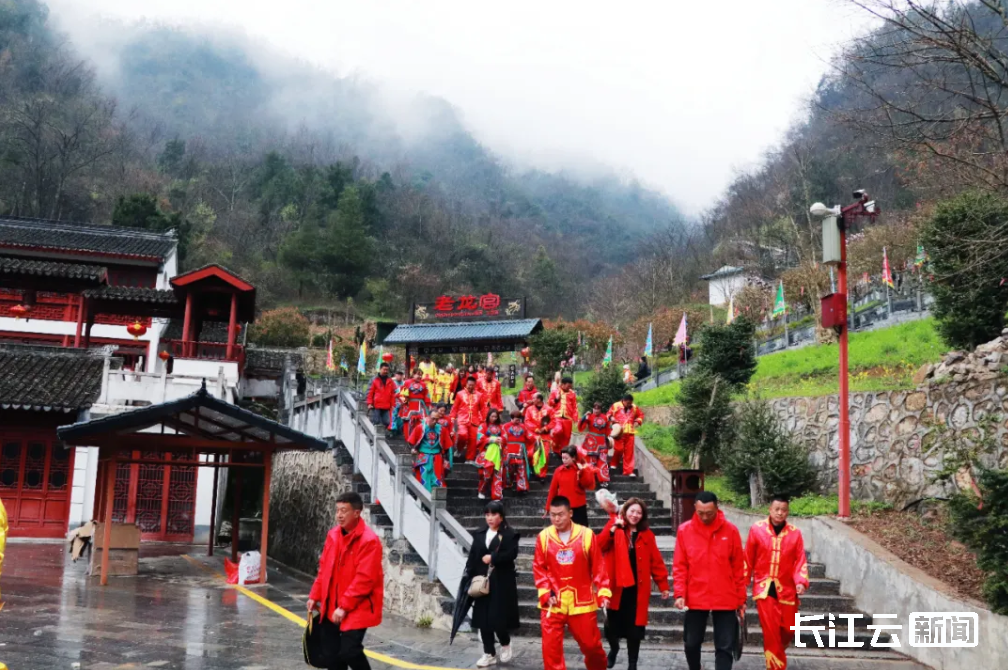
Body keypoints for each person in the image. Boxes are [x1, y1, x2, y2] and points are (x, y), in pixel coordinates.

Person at [307, 492, 384, 670]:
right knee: (331, 656)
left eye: (344, 511)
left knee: (350, 651)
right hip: (331, 603)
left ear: (356, 513)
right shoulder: (333, 535)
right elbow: (324, 568)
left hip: (357, 606)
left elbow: (365, 579)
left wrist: (344, 606)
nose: (339, 515)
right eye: (337, 510)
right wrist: (314, 595)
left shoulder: (369, 541)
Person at [672, 491, 747, 670]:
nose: (705, 517)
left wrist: (741, 599)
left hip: (725, 596)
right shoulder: (685, 530)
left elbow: (738, 567)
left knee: (724, 647)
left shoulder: (730, 531)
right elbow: (680, 566)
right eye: (700, 513)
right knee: (691, 643)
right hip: (696, 595)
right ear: (695, 509)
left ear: (717, 508)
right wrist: (680, 593)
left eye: (709, 513)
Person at [534, 496, 610, 670]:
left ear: (570, 513)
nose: (556, 519)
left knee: (592, 647)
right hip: (553, 603)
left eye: (560, 514)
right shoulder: (544, 537)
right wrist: (545, 592)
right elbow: (539, 567)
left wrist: (603, 591)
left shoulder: (586, 535)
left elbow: (599, 566)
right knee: (550, 651)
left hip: (582, 601)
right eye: (553, 515)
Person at [598, 498, 670, 670]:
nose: (635, 515)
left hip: (637, 591)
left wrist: (663, 585)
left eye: (639, 512)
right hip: (617, 589)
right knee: (611, 628)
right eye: (632, 511)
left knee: (634, 632)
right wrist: (613, 528)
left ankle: (632, 665)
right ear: (625, 511)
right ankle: (614, 649)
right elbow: (599, 545)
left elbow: (656, 562)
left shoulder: (647, 535)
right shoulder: (614, 527)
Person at [746, 495, 809, 670]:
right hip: (764, 588)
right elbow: (748, 558)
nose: (780, 513)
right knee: (771, 631)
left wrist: (801, 581)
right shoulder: (756, 529)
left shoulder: (795, 533)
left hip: (788, 588)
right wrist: (742, 583)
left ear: (787, 512)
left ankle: (775, 651)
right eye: (777, 509)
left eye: (784, 510)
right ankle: (775, 666)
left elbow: (800, 560)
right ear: (770, 510)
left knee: (789, 629)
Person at [465, 501, 520, 667]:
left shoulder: (509, 535)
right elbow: (473, 555)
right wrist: (469, 573)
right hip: (482, 581)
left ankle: (505, 643)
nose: (490, 518)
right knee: (482, 618)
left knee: (498, 617)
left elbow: (511, 554)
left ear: (501, 516)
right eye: (487, 514)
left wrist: (493, 558)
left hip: (501, 581)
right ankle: (489, 652)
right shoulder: (480, 533)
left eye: (494, 514)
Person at [545, 446, 597, 526]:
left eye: (566, 458)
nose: (564, 461)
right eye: (563, 458)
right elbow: (553, 490)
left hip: (579, 506)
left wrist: (583, 471)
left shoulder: (580, 469)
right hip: (564, 506)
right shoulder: (558, 471)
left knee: (581, 531)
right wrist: (548, 507)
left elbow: (586, 484)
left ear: (573, 458)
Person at [409, 411, 450, 491]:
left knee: (437, 479)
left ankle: (434, 500)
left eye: (437, 420)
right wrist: (413, 449)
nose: (435, 421)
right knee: (423, 479)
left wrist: (446, 460)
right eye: (433, 419)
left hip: (437, 457)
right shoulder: (420, 427)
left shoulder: (442, 430)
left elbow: (447, 446)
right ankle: (423, 499)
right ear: (428, 417)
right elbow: (411, 441)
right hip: (423, 456)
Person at [451, 376, 486, 462]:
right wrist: (452, 417)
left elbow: (483, 409)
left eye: (472, 385)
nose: (470, 387)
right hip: (462, 419)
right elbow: (455, 407)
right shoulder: (460, 394)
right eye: (469, 385)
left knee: (473, 440)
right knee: (463, 435)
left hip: (475, 420)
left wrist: (484, 419)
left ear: (475, 385)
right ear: (466, 384)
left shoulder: (479, 395)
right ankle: (459, 449)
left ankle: (469, 459)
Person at [609, 395, 644, 478]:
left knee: (629, 453)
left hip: (630, 433)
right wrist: (612, 419)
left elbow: (641, 415)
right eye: (628, 403)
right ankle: (614, 463)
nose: (629, 405)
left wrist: (637, 421)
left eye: (630, 403)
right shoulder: (616, 405)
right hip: (619, 432)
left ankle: (628, 471)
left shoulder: (634, 407)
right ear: (623, 401)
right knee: (619, 449)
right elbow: (608, 414)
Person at [579, 402, 611, 487]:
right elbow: (581, 427)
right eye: (595, 408)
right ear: (593, 409)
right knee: (590, 461)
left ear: (601, 409)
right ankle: (589, 479)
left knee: (603, 461)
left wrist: (608, 438)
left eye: (598, 409)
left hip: (602, 441)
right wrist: (584, 417)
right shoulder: (589, 416)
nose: (596, 410)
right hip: (591, 441)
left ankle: (603, 480)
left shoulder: (605, 417)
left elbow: (608, 429)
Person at [476, 410, 506, 500]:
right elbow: (480, 437)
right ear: (488, 416)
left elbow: (505, 437)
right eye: (492, 416)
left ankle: (496, 495)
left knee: (497, 474)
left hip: (497, 453)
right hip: (486, 453)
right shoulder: (483, 426)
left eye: (495, 417)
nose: (494, 418)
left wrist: (501, 440)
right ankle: (481, 490)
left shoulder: (501, 427)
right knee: (486, 474)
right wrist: (491, 440)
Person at [501, 410, 532, 495]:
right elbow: (502, 438)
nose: (518, 421)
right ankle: (507, 484)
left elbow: (529, 437)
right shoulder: (504, 426)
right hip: (508, 450)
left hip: (520, 450)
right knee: (508, 469)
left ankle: (522, 487)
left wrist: (535, 439)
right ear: (511, 418)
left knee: (521, 469)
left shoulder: (524, 427)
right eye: (516, 419)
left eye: (519, 419)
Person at [400, 368, 431, 442]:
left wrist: (428, 405)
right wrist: (405, 404)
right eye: (418, 374)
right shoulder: (407, 382)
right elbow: (403, 395)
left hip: (420, 405)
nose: (419, 376)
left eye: (421, 375)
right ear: (413, 374)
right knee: (408, 422)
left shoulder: (423, 384)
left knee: (421, 422)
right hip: (409, 405)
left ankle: (418, 439)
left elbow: (426, 395)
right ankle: (408, 439)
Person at [548, 376, 578, 451]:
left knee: (567, 437)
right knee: (558, 430)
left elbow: (575, 407)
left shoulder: (572, 394)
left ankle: (562, 454)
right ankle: (554, 448)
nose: (569, 388)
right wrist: (556, 400)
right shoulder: (555, 392)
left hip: (568, 418)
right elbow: (549, 404)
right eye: (568, 386)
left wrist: (575, 418)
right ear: (563, 384)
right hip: (557, 417)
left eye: (570, 387)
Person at [365, 362, 397, 429]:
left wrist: (393, 404)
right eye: (384, 369)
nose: (386, 371)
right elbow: (369, 392)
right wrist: (369, 403)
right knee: (376, 422)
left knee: (387, 422)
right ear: (380, 369)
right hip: (376, 405)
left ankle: (381, 436)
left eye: (387, 370)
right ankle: (374, 437)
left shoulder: (390, 381)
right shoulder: (374, 380)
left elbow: (393, 393)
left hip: (386, 405)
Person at [436, 404, 456, 473]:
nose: (442, 412)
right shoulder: (433, 418)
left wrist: (452, 433)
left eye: (444, 411)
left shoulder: (448, 419)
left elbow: (451, 428)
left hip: (446, 441)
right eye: (441, 410)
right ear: (437, 409)